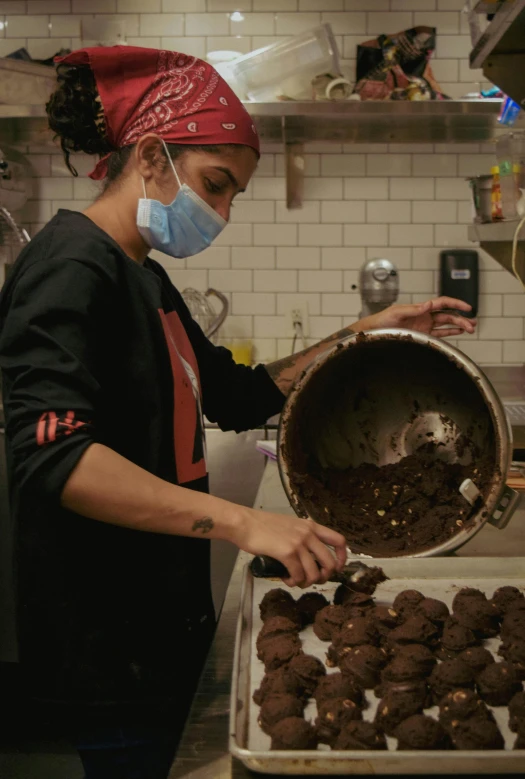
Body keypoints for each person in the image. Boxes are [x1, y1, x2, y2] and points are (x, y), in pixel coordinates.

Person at [0, 46, 476, 779]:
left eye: (232, 197)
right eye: (214, 186)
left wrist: (369, 333)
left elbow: (240, 394)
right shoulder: (70, 265)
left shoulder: (144, 277)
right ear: (153, 157)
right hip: (108, 641)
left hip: (159, 630)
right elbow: (52, 456)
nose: (219, 214)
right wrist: (246, 521)